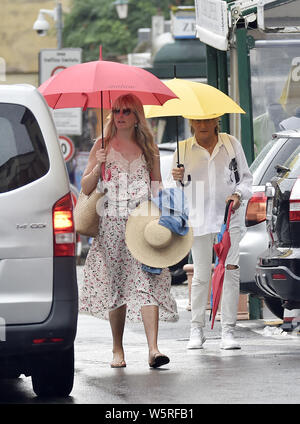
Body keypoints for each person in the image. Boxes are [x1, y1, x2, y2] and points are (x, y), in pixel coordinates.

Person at [79, 93, 178, 369]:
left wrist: (162, 215)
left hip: (143, 225)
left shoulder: (150, 149)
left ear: (137, 117)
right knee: (117, 287)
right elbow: (86, 189)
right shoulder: (102, 144)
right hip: (111, 224)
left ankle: (154, 350)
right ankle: (117, 349)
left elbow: (157, 189)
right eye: (117, 111)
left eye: (126, 111)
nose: (120, 115)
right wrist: (98, 166)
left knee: (147, 283)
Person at [171, 117, 252, 350]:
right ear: (191, 122)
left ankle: (228, 330)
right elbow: (176, 187)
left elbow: (246, 179)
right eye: (197, 120)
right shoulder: (183, 148)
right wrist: (176, 177)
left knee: (230, 271)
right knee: (201, 276)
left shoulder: (230, 144)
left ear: (216, 120)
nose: (203, 124)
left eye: (207, 120)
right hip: (199, 219)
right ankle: (196, 329)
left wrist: (237, 195)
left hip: (229, 217)